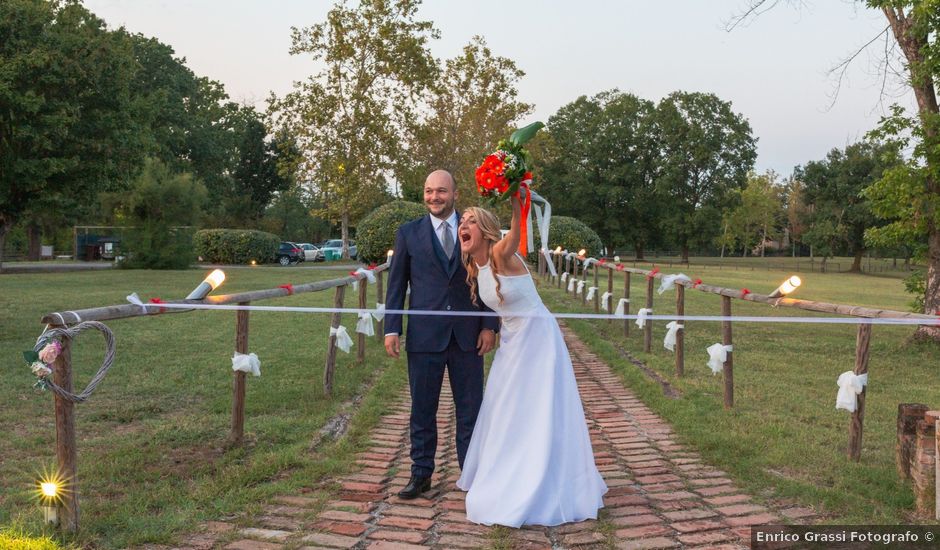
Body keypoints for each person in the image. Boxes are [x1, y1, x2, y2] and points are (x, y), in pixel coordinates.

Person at [455, 190, 607, 527]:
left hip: (538, 338)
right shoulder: (473, 265)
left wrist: (515, 201)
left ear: (485, 230)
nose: (462, 226)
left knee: (537, 406)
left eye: (470, 222)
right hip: (511, 342)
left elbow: (516, 235)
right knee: (506, 407)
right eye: (461, 222)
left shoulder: (499, 253)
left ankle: (543, 477)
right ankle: (510, 470)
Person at [385, 170, 499, 500]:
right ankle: (420, 474)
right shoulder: (408, 233)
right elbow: (397, 285)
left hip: (468, 336)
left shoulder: (472, 228)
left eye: (441, 191)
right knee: (422, 409)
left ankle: (472, 474)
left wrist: (489, 325)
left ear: (454, 192)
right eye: (429, 191)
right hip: (424, 337)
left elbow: (491, 277)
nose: (435, 197)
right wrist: (392, 327)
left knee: (470, 410)